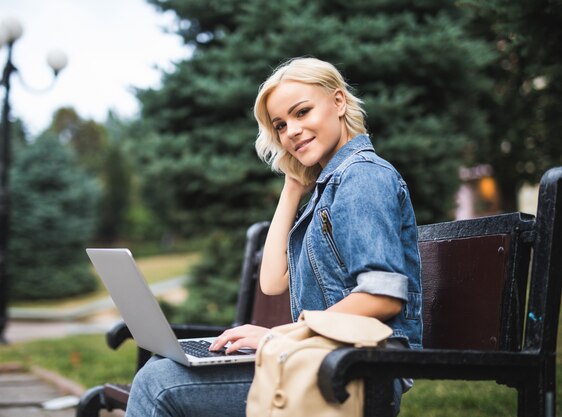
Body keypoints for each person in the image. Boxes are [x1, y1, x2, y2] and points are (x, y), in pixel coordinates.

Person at [125, 57, 422, 417]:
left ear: (339, 102)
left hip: (359, 369)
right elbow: (271, 282)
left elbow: (382, 296)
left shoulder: (363, 177)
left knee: (159, 383)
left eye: (302, 112)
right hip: (323, 358)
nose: (291, 132)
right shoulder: (328, 188)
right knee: (164, 371)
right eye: (281, 125)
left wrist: (275, 335)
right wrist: (293, 185)